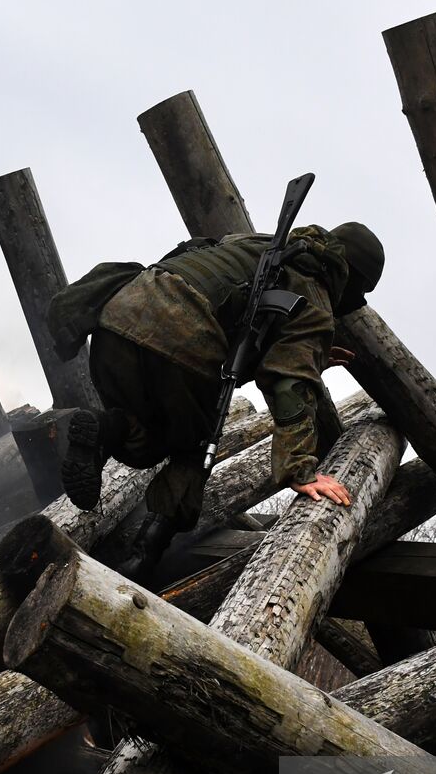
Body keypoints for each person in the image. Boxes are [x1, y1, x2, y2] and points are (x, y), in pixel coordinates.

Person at [47, 221, 385, 580]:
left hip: (117, 319)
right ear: (350, 280)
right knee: (192, 452)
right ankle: (140, 561)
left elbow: (227, 300)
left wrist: (305, 351)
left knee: (144, 440)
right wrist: (299, 468)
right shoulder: (313, 297)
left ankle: (101, 429)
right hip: (180, 340)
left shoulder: (257, 244)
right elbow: (290, 382)